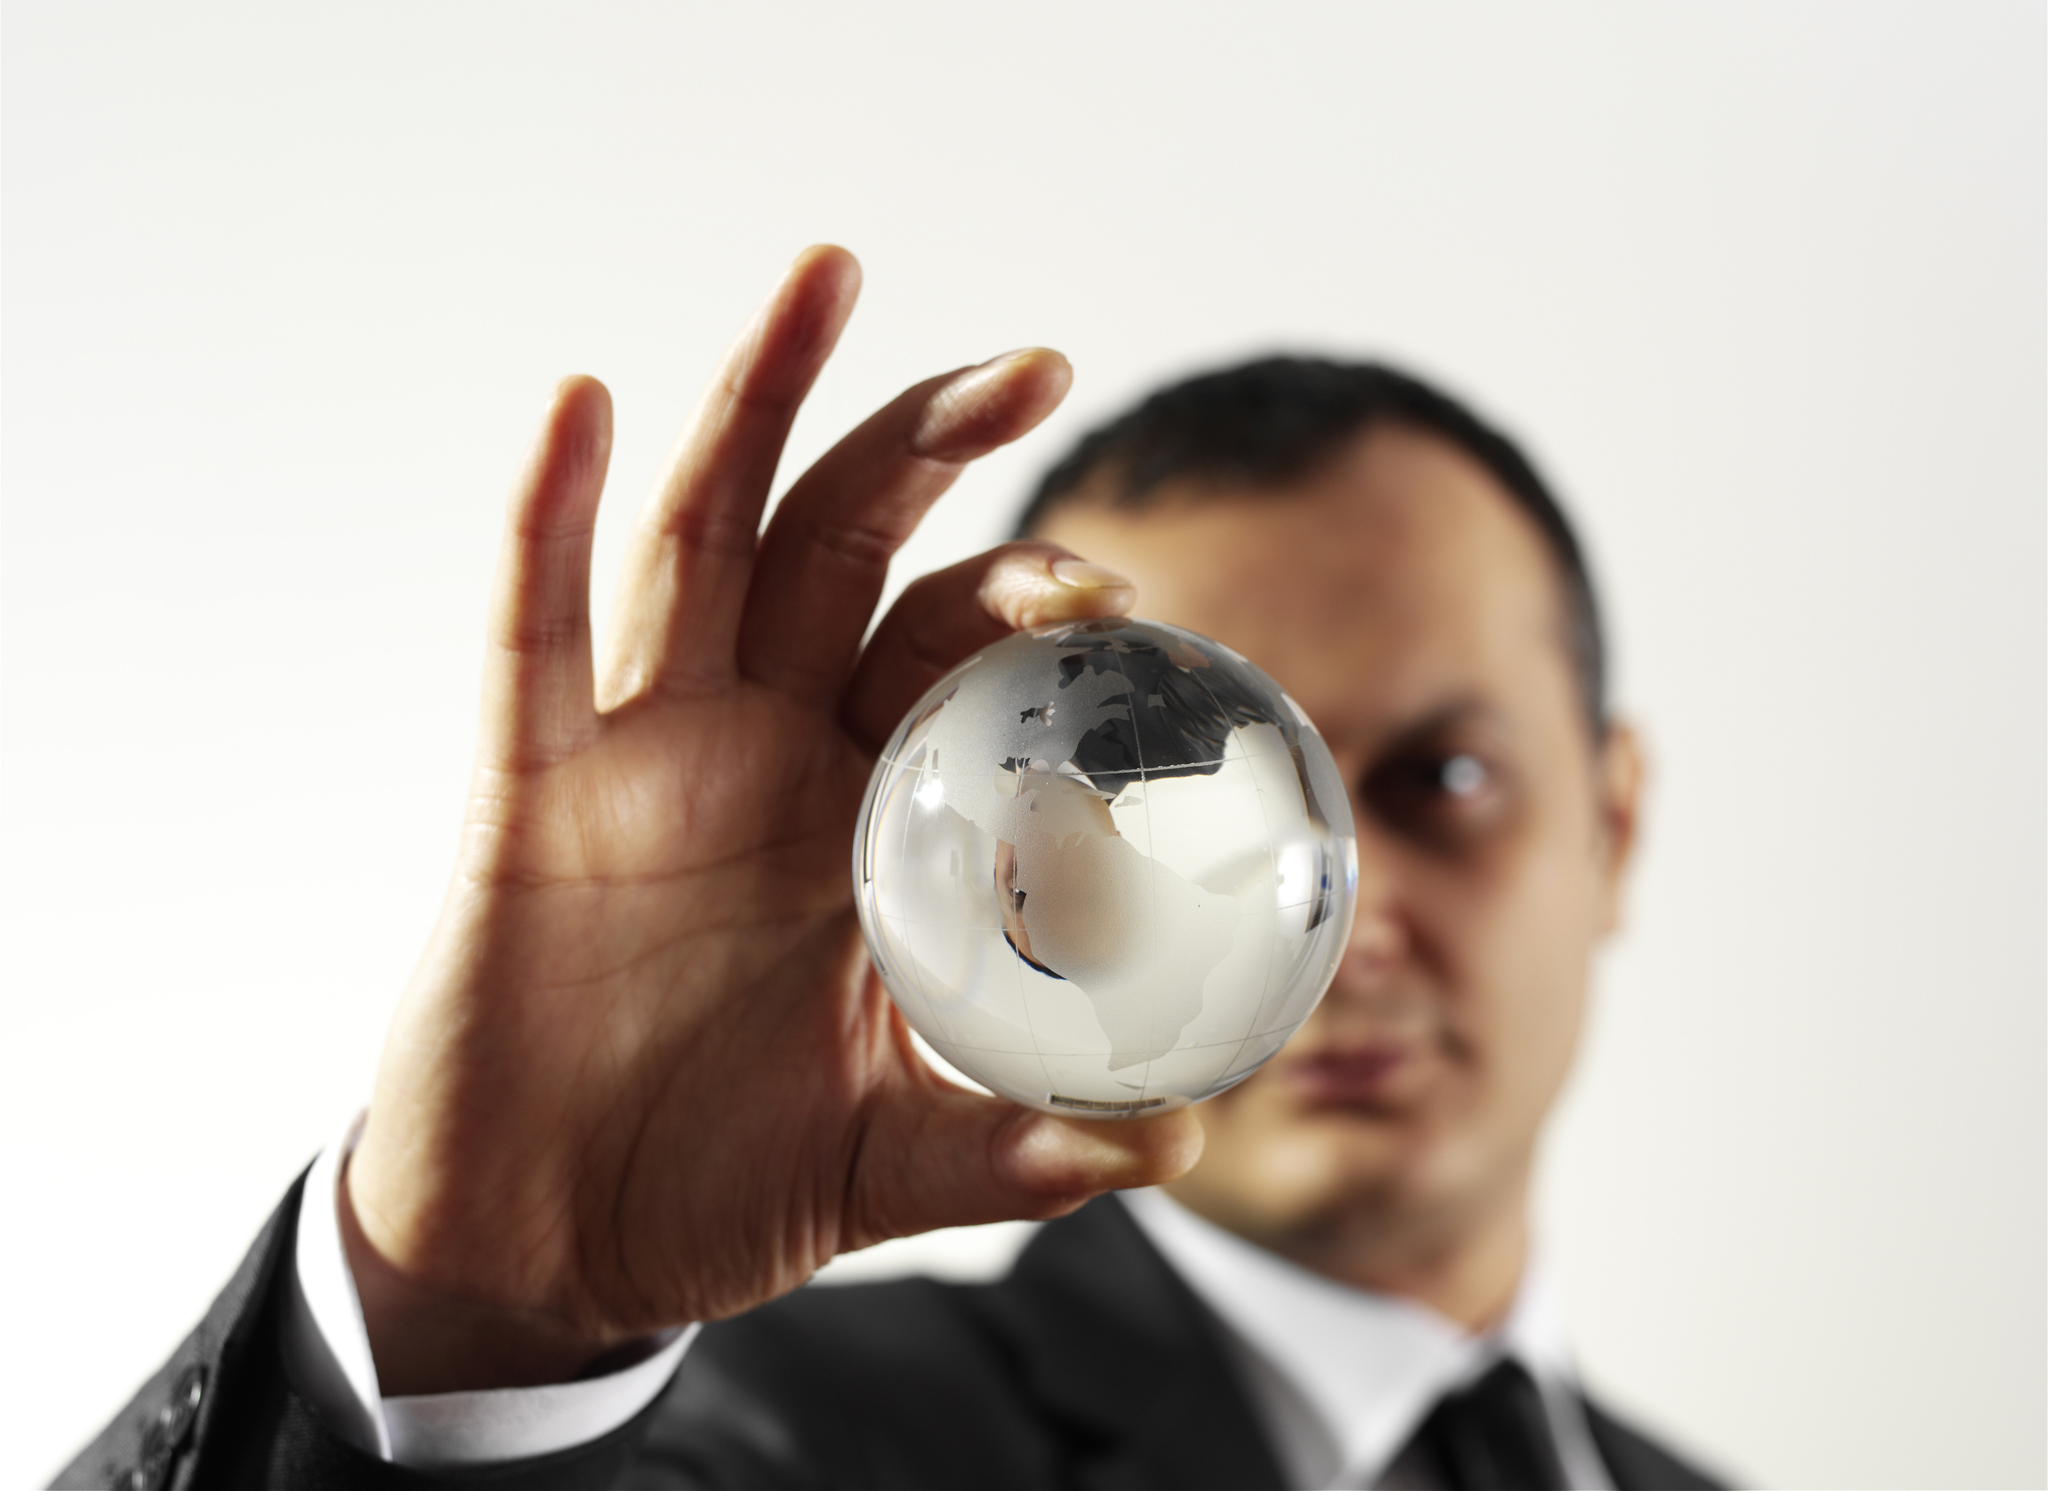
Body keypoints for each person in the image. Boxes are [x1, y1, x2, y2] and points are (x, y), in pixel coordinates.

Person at [63, 247, 1726, 1491]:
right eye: (1167, 809)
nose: (1347, 924)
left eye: (1445, 780)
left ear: (1619, 820)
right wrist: (473, 1320)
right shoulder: (742, 1445)